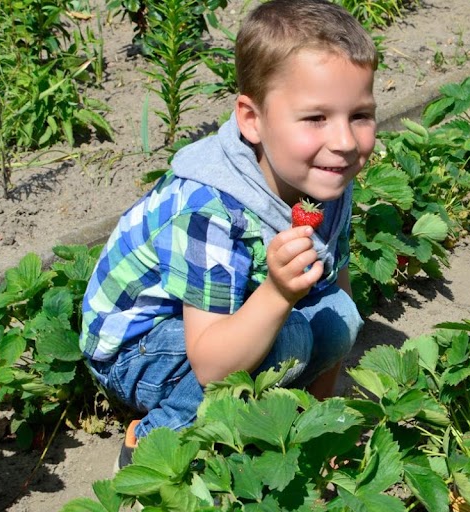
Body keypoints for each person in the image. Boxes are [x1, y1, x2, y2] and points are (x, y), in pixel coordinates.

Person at [80, 0, 377, 468]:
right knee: (290, 340)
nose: (343, 141)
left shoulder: (325, 175)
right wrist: (279, 292)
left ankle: (290, 430)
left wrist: (318, 430)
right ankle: (153, 446)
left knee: (339, 315)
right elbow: (212, 363)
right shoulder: (211, 207)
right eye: (316, 118)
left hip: (222, 322)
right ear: (252, 119)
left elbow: (335, 290)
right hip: (138, 346)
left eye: (359, 115)